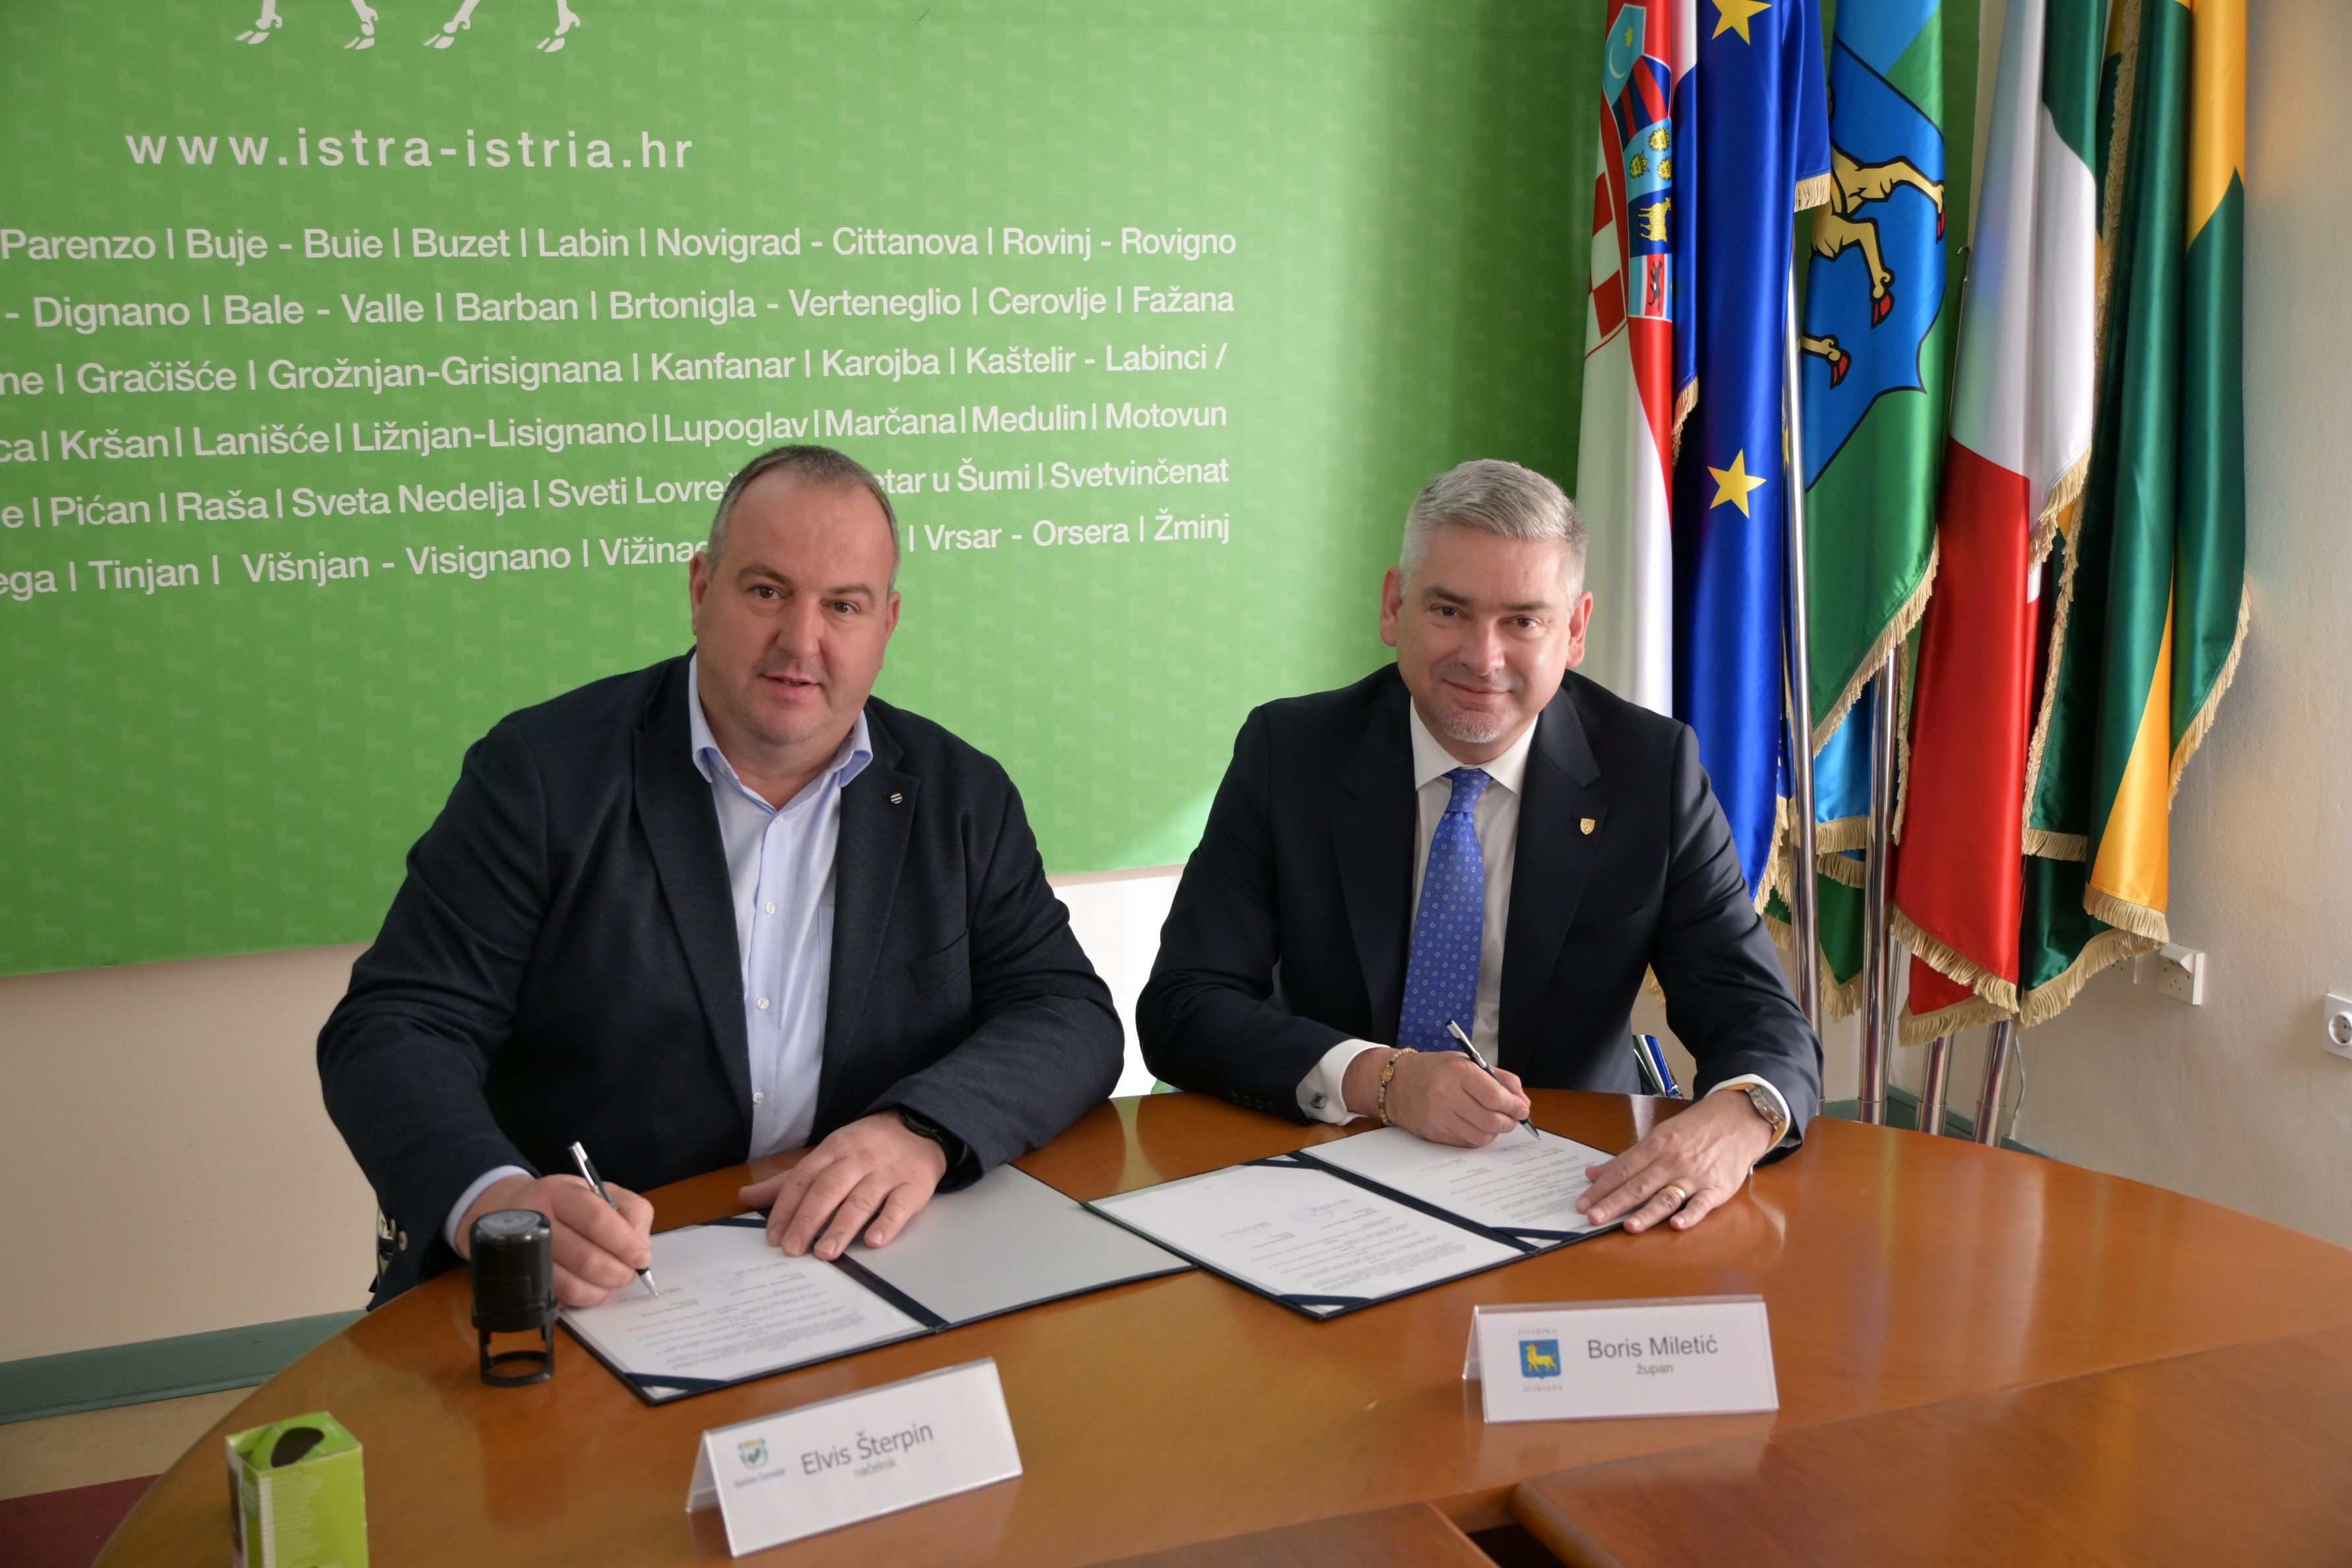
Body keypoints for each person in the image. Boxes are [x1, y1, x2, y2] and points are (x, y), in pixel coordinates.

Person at [320, 444, 1121, 1306]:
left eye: (842, 605)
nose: (801, 640)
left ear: (886, 624)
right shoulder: (543, 775)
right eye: (767, 591)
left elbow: (1065, 1011)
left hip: (855, 1264)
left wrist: (921, 1130)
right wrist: (498, 1200)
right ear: (702, 589)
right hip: (604, 1277)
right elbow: (397, 1025)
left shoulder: (960, 795)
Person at [1139, 459, 1820, 1234]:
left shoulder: (1649, 772)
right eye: (1449, 611)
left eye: (1523, 621)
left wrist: (1740, 1118)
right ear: (1394, 607)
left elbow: (1756, 1013)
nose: (1482, 657)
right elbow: (1183, 1008)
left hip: (1565, 1179)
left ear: (1574, 631)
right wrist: (1381, 1080)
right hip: (1327, 1166)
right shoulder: (1291, 752)